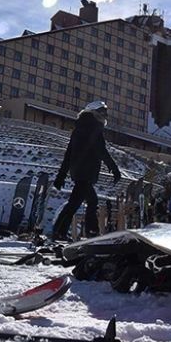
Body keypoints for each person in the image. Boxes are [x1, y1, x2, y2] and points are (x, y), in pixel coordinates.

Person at [51, 100, 121, 240]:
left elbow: (68, 154)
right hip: (87, 172)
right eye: (103, 112)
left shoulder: (79, 128)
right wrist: (114, 168)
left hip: (78, 172)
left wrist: (61, 176)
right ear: (95, 112)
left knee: (81, 202)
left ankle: (61, 231)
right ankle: (90, 232)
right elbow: (101, 150)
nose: (105, 116)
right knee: (81, 203)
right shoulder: (94, 127)